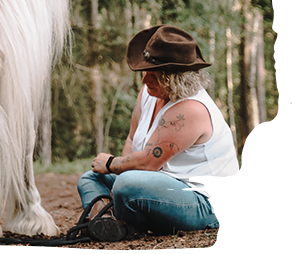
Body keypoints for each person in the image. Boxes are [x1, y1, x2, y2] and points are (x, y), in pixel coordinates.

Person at [78, 25, 240, 242]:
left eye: (153, 75)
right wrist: (115, 173)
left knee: (127, 184)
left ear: (176, 79)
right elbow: (131, 139)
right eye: (145, 71)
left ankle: (121, 222)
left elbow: (148, 163)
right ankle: (106, 221)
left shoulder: (190, 109)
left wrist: (111, 164)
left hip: (207, 203)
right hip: (159, 184)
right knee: (90, 178)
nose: (144, 80)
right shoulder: (149, 92)